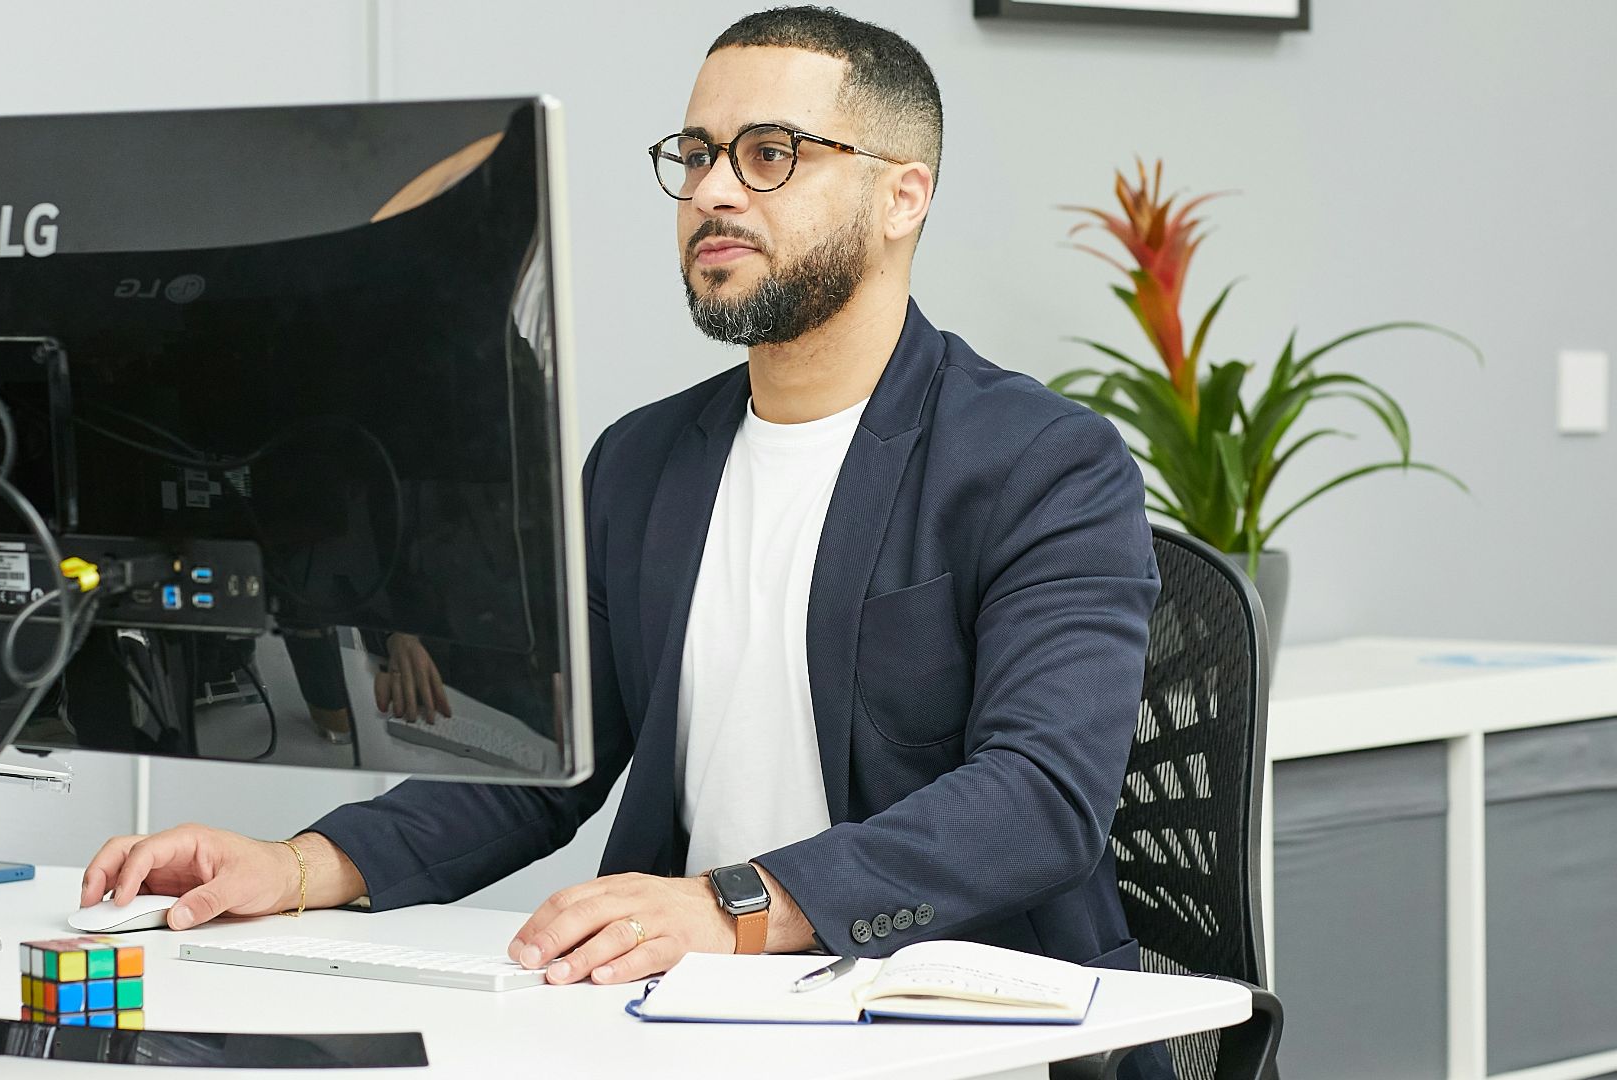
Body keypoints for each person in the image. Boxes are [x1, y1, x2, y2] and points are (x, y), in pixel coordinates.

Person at [83, 8, 1162, 1072]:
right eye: (695, 155)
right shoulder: (644, 461)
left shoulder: (1043, 464)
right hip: (694, 1023)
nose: (713, 192)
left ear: (902, 195)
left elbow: (1038, 801)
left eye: (770, 154)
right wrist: (299, 864)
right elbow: (547, 766)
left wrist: (734, 905)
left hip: (964, 1032)